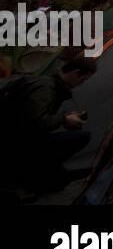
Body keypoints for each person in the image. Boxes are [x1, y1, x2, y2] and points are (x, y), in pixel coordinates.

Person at [0, 57, 98, 199]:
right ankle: (21, 179)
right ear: (75, 73)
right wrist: (64, 119)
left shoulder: (47, 82)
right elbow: (36, 123)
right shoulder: (45, 87)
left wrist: (64, 118)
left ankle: (40, 174)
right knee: (81, 137)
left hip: (16, 140)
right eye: (83, 80)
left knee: (59, 179)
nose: (81, 84)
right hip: (14, 144)